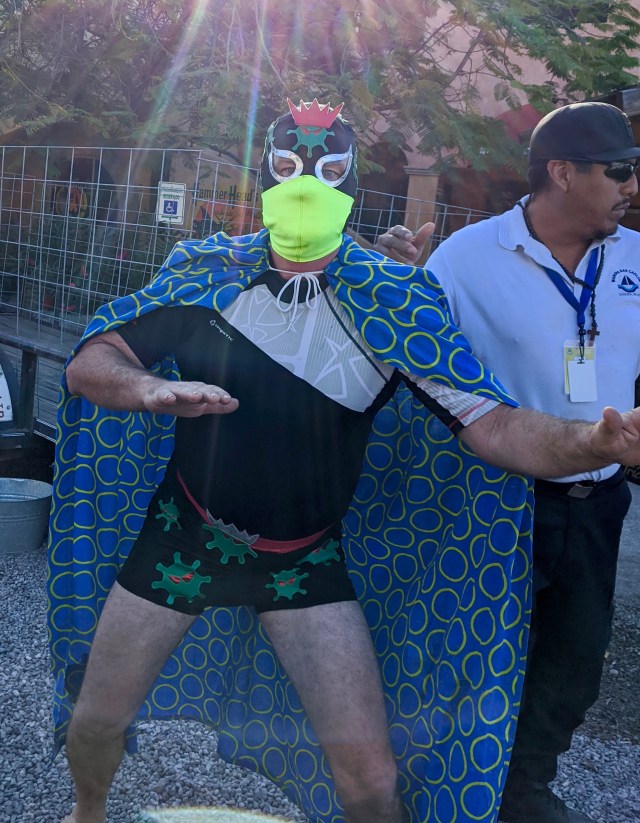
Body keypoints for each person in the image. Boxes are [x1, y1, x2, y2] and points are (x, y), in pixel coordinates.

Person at [48, 99, 640, 823]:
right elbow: (93, 360)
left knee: (369, 781)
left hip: (302, 559)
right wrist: (146, 387)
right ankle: (86, 812)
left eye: (327, 171)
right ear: (264, 175)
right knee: (96, 720)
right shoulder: (207, 271)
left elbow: (493, 425)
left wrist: (593, 444)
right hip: (183, 535)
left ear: (352, 183)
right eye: (286, 166)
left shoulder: (393, 300)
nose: (304, 185)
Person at [374, 101, 640, 823]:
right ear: (563, 172)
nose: (632, 185)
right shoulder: (468, 257)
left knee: (573, 665)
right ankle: (441, 792)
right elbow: (411, 354)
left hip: (598, 502)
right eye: (620, 170)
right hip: (494, 499)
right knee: (470, 658)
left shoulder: (634, 259)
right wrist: (397, 279)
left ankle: (524, 792)